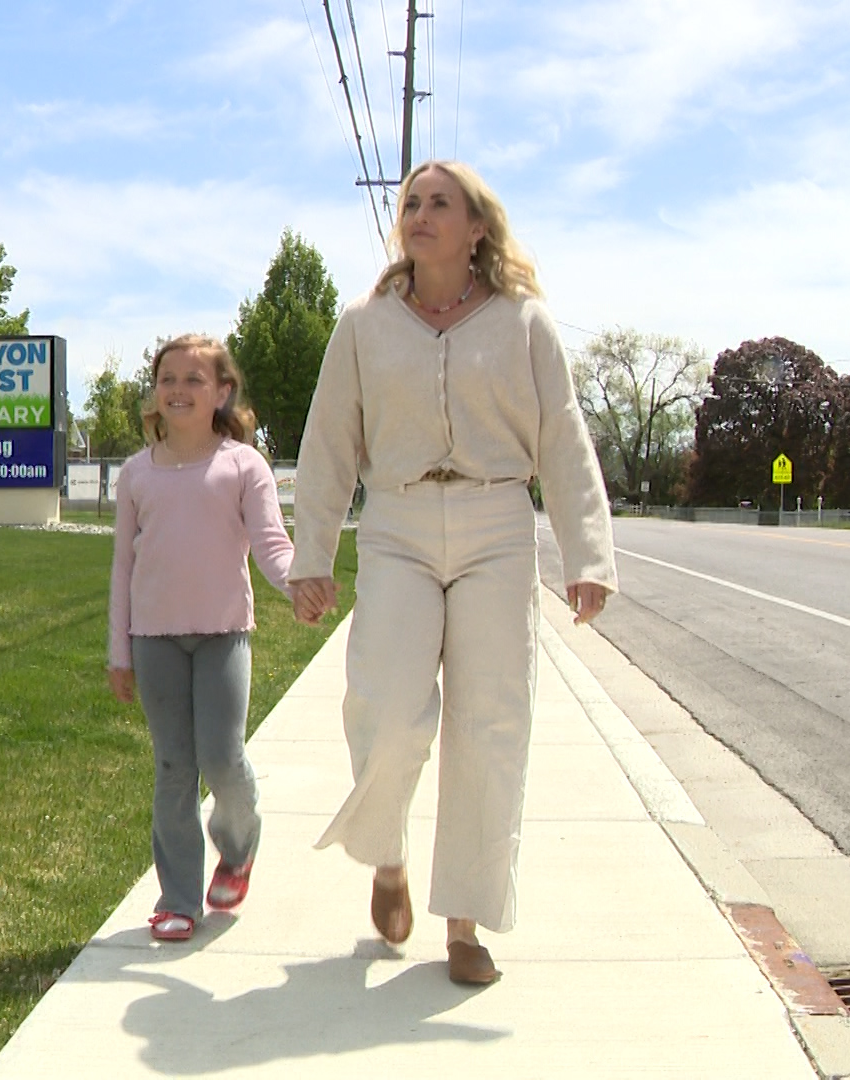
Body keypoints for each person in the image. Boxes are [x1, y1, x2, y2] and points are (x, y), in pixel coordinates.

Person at [288, 161, 616, 985]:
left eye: (440, 203)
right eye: (410, 203)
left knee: (492, 723)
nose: (420, 213)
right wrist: (313, 557)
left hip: (497, 525)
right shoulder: (363, 323)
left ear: (477, 227)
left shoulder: (524, 323)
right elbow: (329, 443)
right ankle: (386, 851)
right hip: (396, 521)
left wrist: (588, 556)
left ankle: (464, 920)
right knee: (384, 707)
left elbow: (565, 442)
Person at [109, 334, 296, 942]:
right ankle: (179, 898)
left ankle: (238, 847)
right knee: (173, 766)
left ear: (222, 392)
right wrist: (120, 651)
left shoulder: (244, 465)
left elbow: (270, 545)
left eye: (194, 380)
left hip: (223, 636)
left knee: (221, 756)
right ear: (155, 393)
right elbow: (123, 569)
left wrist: (300, 586)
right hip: (155, 639)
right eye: (168, 379)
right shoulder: (136, 474)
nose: (179, 390)